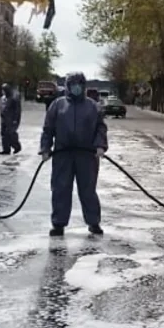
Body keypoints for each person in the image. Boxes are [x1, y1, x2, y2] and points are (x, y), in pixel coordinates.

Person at [40, 71, 108, 237]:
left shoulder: (92, 106)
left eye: (79, 84)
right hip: (63, 154)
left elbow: (100, 127)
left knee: (88, 189)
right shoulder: (58, 105)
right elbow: (48, 129)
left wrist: (100, 145)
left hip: (87, 155)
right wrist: (45, 148)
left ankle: (93, 222)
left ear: (83, 86)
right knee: (60, 189)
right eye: (73, 84)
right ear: (68, 86)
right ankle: (58, 224)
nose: (76, 87)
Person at [0, 82, 22, 155]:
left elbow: (17, 110)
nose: (2, 91)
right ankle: (6, 149)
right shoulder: (2, 99)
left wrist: (15, 119)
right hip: (4, 119)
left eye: (4, 90)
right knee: (3, 134)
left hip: (11, 120)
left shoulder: (13, 99)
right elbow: (1, 108)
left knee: (10, 134)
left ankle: (16, 146)